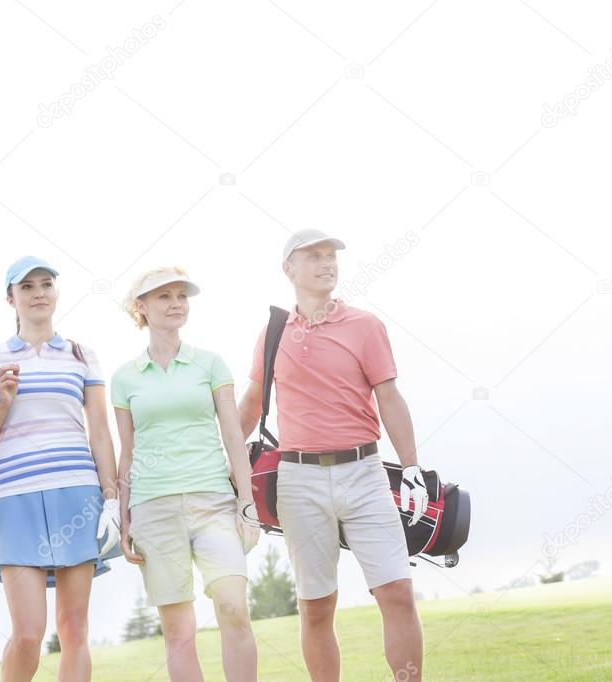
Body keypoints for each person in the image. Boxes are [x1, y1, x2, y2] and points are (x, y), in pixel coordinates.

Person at [238, 229, 428, 682]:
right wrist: (217, 463)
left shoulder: (365, 326)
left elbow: (390, 398)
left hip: (364, 473)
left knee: (397, 591)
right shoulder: (273, 332)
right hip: (298, 480)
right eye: (314, 257)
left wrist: (413, 467)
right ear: (289, 269)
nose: (327, 264)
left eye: (331, 257)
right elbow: (249, 405)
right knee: (316, 606)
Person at [0, 256, 120, 682]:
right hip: (15, 500)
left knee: (74, 629)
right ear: (10, 298)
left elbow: (101, 434)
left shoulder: (82, 354)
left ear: (56, 292)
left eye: (46, 284)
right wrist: (4, 403)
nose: (38, 293)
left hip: (77, 494)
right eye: (27, 286)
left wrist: (112, 499)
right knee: (29, 633)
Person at [111, 266, 260, 682]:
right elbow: (128, 453)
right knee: (178, 630)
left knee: (234, 605)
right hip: (152, 509)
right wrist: (124, 520)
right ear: (141, 307)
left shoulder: (209, 364)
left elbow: (233, 436)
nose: (176, 303)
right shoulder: (124, 377)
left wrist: (246, 502)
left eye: (181, 295)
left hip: (213, 502)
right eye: (164, 296)